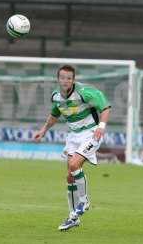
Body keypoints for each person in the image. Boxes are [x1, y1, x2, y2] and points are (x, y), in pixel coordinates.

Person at [34, 65, 111, 231]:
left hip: (91, 134)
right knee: (70, 177)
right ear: (58, 79)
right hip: (73, 136)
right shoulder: (56, 96)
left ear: (73, 79)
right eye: (62, 77)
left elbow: (105, 107)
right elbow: (55, 115)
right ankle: (73, 217)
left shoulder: (84, 92)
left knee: (74, 165)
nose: (65, 80)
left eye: (69, 78)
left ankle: (84, 201)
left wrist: (101, 126)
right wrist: (43, 130)